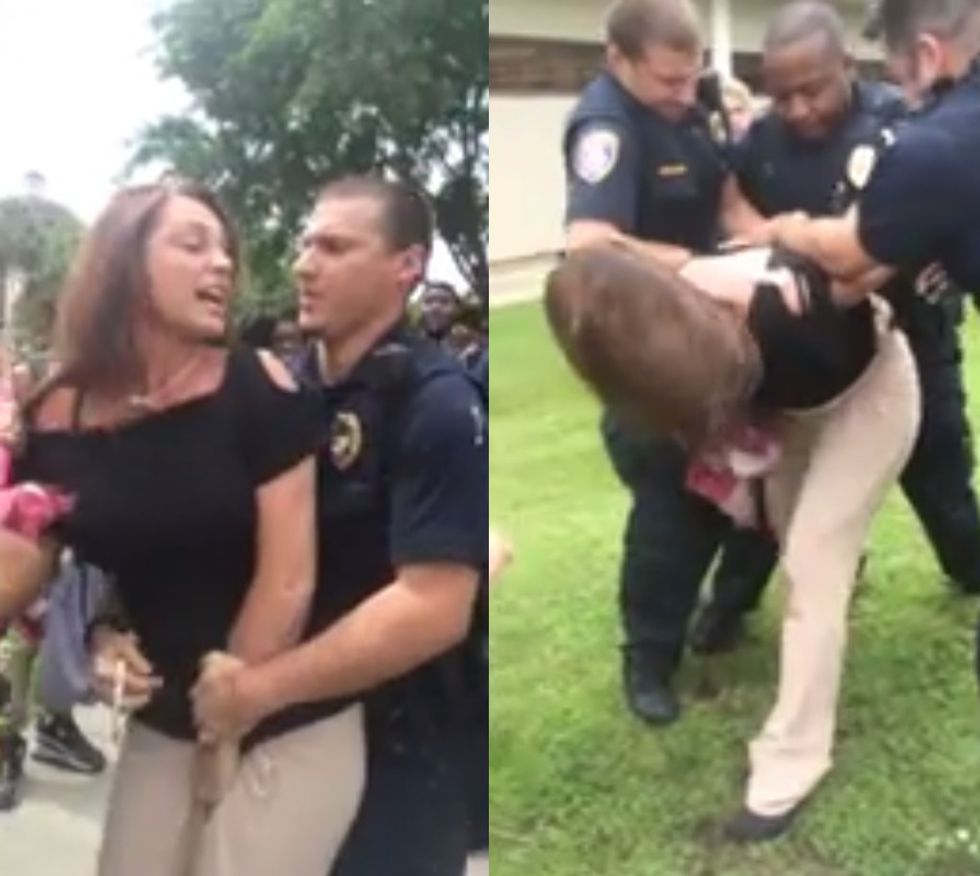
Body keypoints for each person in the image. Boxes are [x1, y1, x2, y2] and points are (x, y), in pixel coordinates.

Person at [0, 180, 364, 876]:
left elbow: (288, 580)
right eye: (193, 245)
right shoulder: (55, 416)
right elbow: (55, 568)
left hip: (283, 712)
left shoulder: (257, 387)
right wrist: (101, 635)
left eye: (225, 250)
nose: (223, 263)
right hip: (164, 718)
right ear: (126, 265)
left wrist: (224, 721)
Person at [546, 243, 919, 841]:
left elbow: (885, 280)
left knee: (813, 564)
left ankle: (792, 761)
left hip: (865, 396)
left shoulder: (787, 310)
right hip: (793, 410)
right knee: (787, 529)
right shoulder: (647, 347)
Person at [176, 177, 487, 876]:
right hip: (271, 736)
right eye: (306, 242)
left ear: (406, 267)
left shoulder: (434, 404)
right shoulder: (284, 390)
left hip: (397, 754)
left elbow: (433, 608)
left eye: (335, 247)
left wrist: (258, 691)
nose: (304, 264)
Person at [693, 0, 980, 647]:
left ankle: (970, 569)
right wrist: (769, 249)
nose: (797, 108)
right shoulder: (759, 146)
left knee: (939, 474)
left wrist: (799, 244)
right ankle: (731, 602)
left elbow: (874, 255)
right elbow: (735, 218)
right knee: (776, 491)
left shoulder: (906, 122)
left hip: (906, 333)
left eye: (813, 89)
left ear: (848, 67)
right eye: (781, 93)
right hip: (803, 351)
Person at [563, 0, 780, 725]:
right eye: (669, 81)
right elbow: (589, 243)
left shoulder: (694, 103)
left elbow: (726, 199)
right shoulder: (608, 125)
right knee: (675, 511)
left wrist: (772, 241)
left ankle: (726, 612)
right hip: (653, 359)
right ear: (616, 58)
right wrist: (694, 267)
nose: (687, 93)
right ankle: (649, 660)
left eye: (692, 79)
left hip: (725, 339)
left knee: (767, 487)